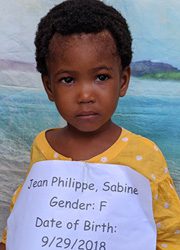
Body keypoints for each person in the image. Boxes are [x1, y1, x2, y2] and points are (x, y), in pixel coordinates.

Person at [1, 0, 180, 249]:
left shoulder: (144, 155)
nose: (86, 95)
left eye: (101, 77)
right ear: (49, 87)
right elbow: (26, 214)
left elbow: (169, 234)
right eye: (68, 80)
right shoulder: (42, 146)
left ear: (124, 81)